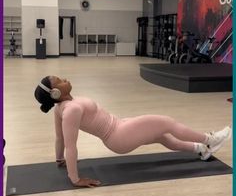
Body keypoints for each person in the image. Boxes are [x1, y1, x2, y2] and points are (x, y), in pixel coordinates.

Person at [34, 76, 231, 188]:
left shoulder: (62, 108)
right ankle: (210, 140)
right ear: (55, 93)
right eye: (58, 80)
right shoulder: (71, 110)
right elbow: (70, 145)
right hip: (118, 135)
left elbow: (59, 138)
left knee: (162, 136)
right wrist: (75, 178)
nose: (63, 78)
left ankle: (201, 149)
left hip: (119, 127)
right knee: (167, 123)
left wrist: (58, 159)